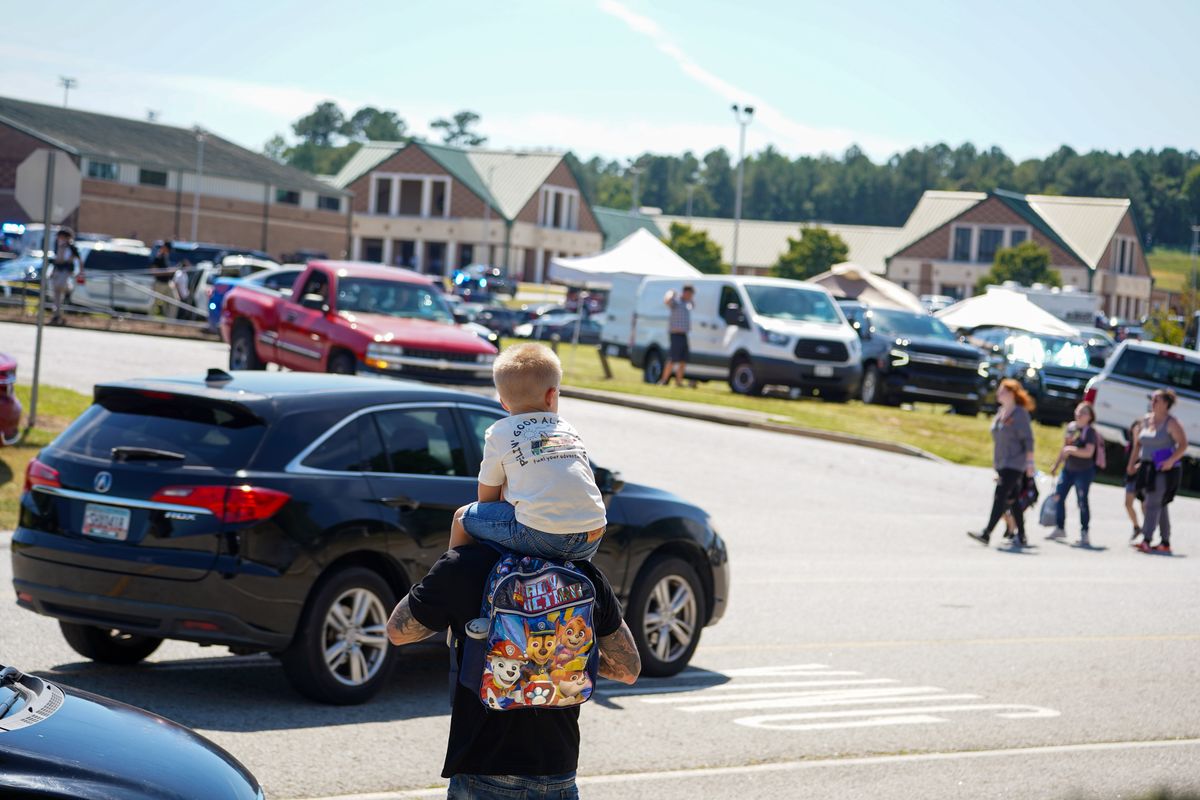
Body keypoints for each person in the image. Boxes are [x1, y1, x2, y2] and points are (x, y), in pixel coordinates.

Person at [386, 534, 640, 798]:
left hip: (482, 767)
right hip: (557, 771)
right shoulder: (583, 574)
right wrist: (566, 654)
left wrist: (456, 547)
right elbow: (628, 669)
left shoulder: (464, 566)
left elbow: (398, 632)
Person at [448, 343, 607, 563]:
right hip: (593, 533)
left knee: (461, 517)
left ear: (503, 403)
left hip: (541, 535)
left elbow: (486, 500)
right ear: (552, 395)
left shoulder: (499, 432)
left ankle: (452, 579)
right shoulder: (566, 427)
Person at [968, 378, 1036, 548]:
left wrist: (1030, 463)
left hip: (1015, 463)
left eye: (1003, 391)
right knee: (1012, 499)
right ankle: (1021, 535)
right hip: (1002, 462)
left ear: (1013, 393)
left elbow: (1028, 440)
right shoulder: (1001, 412)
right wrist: (996, 463)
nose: (999, 394)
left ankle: (986, 533)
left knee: (1000, 496)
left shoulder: (1020, 414)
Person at [1128, 389, 1189, 554]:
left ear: (1166, 404)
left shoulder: (1171, 423)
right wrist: (1132, 463)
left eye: (1157, 400)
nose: (1153, 402)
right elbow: (1138, 444)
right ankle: (1165, 541)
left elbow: (1183, 445)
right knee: (1160, 505)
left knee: (1152, 503)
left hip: (1164, 470)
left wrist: (1170, 461)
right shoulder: (1146, 420)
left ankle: (1146, 539)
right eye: (1152, 399)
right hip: (1146, 467)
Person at [1046, 402, 1098, 546]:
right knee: (1059, 496)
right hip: (1068, 469)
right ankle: (1060, 527)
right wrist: (1056, 465)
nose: (1080, 414)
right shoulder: (1071, 427)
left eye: (1084, 412)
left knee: (1082, 501)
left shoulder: (1090, 432)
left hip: (1083, 471)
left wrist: (1071, 450)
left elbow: (1089, 452)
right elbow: (1064, 448)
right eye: (1078, 411)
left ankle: (1085, 532)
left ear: (1090, 417)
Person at [658, 284, 694, 387]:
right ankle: (664, 380)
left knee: (683, 360)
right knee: (672, 359)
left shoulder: (688, 304)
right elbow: (667, 301)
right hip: (675, 334)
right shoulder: (676, 302)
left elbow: (693, 304)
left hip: (684, 334)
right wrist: (671, 292)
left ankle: (679, 382)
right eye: (690, 294)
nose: (691, 296)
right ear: (685, 293)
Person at [47, 228, 83, 326]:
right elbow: (56, 260)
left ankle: (69, 291)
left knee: (60, 286)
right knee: (56, 294)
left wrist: (81, 272)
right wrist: (52, 272)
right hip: (58, 271)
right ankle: (57, 315)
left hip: (66, 272)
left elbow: (79, 260)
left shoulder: (72, 248)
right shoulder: (57, 246)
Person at [1123, 420, 1144, 541]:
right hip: (1131, 477)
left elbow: (1148, 459)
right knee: (1128, 504)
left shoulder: (1145, 445)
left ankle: (1147, 531)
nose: (1137, 432)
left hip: (1142, 476)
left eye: (1139, 430)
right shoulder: (1130, 445)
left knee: (1143, 505)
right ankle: (1136, 527)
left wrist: (1137, 467)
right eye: (1135, 430)